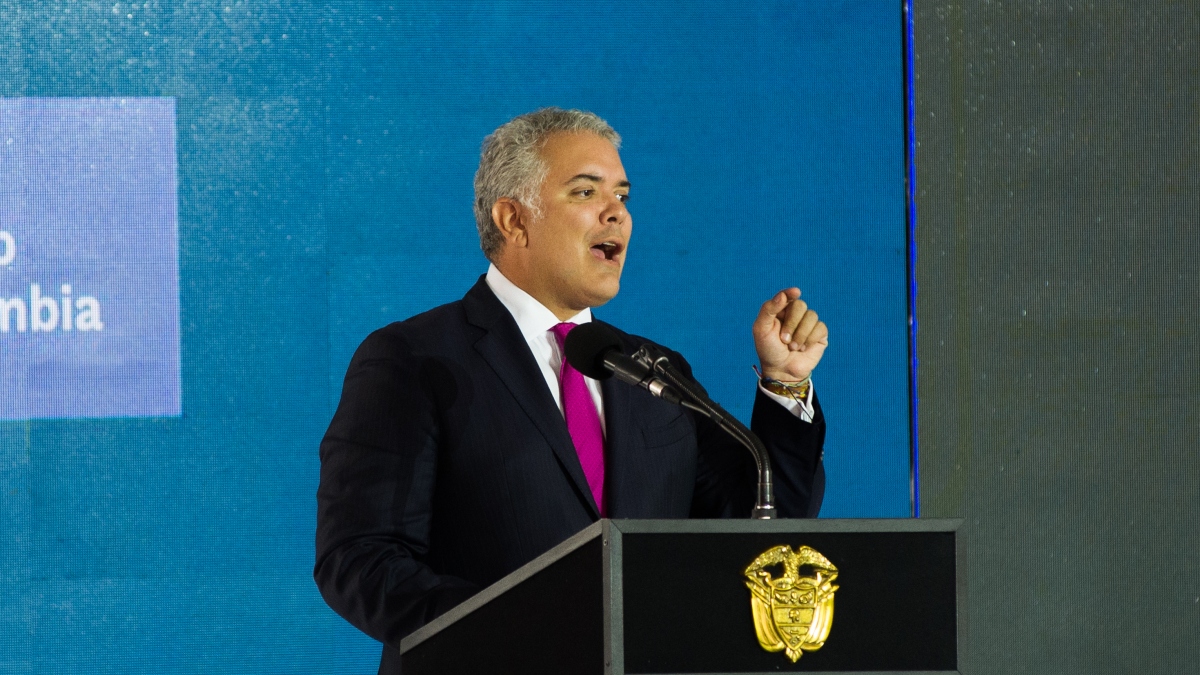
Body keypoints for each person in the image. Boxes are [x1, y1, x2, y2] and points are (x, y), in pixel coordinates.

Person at [315, 108, 829, 673]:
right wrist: (525, 633)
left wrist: (785, 383)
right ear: (514, 219)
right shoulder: (415, 359)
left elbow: (763, 532)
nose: (617, 213)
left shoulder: (654, 370)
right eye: (586, 191)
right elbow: (360, 560)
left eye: (623, 196)